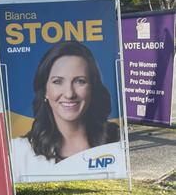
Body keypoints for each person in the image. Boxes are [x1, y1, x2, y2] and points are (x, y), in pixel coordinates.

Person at [11, 41, 120, 178]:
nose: (69, 94)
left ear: (92, 87)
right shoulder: (20, 151)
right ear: (45, 90)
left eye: (80, 81)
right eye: (57, 81)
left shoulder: (116, 139)